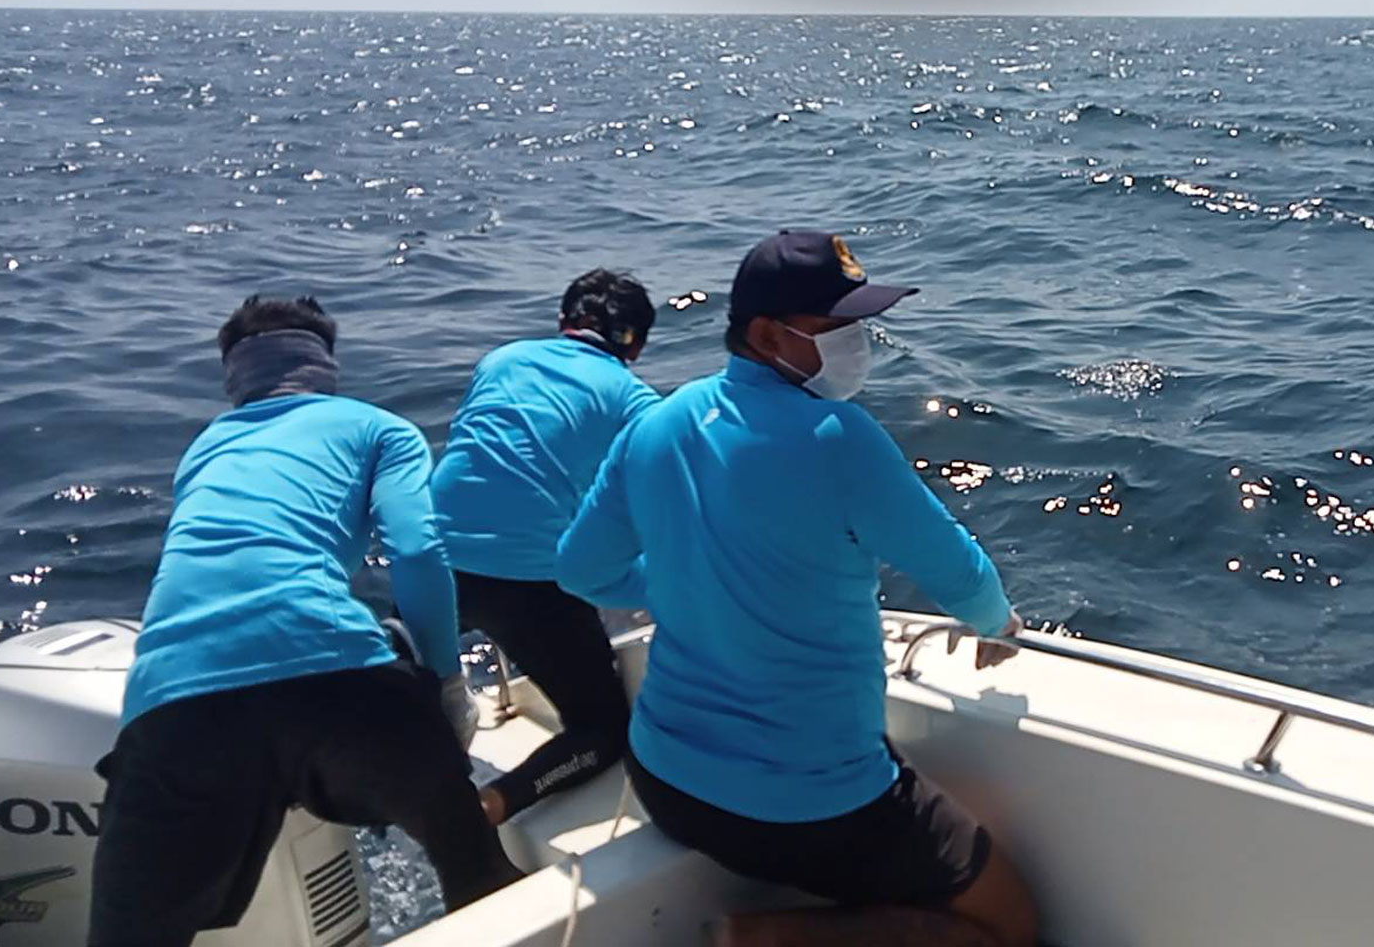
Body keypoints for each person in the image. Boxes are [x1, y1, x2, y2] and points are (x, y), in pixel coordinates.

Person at [556, 232, 1039, 947]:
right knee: (1012, 921)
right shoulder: (838, 436)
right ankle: (764, 936)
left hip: (666, 778)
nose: (858, 340)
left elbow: (581, 570)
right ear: (762, 333)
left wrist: (683, 584)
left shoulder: (653, 425)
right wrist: (999, 623)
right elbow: (959, 575)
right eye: (836, 324)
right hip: (814, 810)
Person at [88, 295, 520, 947]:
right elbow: (419, 550)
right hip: (337, 683)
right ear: (324, 362)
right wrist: (445, 688)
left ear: (235, 373)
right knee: (480, 879)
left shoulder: (204, 448)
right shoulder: (378, 428)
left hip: (175, 708)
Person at [430, 269, 659, 826]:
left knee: (408, 689)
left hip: (431, 559)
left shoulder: (501, 360)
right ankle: (492, 806)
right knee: (602, 731)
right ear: (638, 344)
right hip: (527, 584)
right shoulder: (635, 401)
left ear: (563, 324)